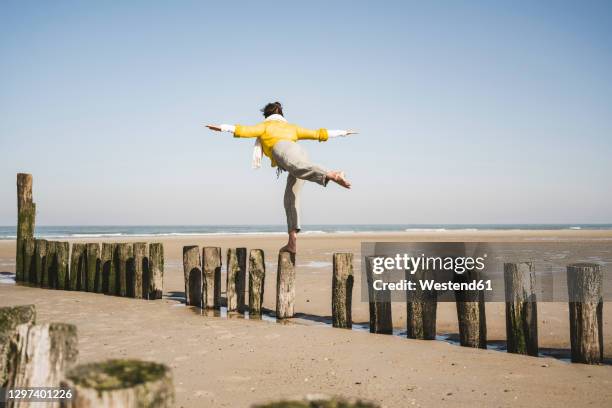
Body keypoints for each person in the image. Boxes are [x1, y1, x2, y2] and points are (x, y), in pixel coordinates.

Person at [206, 101, 357, 253]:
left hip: (283, 150)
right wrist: (343, 132)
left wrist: (222, 127)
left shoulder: (265, 126)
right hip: (300, 152)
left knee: (298, 168)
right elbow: (319, 133)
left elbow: (243, 130)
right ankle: (292, 243)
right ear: (281, 115)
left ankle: (332, 174)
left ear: (267, 115)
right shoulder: (292, 128)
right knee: (290, 199)